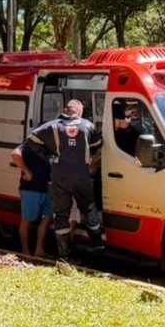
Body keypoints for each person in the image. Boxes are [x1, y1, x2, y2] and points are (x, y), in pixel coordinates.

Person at [26, 99, 103, 258]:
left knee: (61, 214)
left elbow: (32, 140)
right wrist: (89, 154)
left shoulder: (52, 126)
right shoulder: (87, 125)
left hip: (60, 174)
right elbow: (98, 144)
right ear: (79, 111)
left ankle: (64, 253)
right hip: (81, 174)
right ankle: (97, 245)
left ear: (65, 110)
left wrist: (50, 157)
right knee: (89, 208)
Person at [11, 142, 52, 257]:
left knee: (47, 219)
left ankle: (39, 250)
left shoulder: (53, 145)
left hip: (48, 188)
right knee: (27, 221)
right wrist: (26, 171)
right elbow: (15, 154)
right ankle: (26, 252)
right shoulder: (30, 144)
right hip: (31, 189)